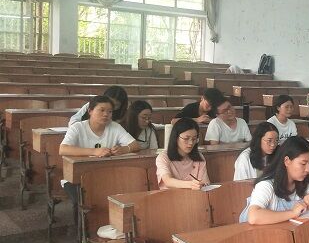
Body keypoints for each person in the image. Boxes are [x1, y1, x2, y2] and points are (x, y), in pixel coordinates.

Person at [59, 95, 139, 223]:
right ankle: (83, 230)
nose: (106, 114)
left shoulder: (115, 127)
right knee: (85, 200)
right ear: (90, 111)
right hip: (77, 177)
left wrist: (124, 149)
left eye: (110, 111)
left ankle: (114, 225)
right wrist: (94, 151)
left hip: (105, 175)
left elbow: (135, 145)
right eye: (101, 110)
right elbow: (63, 149)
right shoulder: (78, 127)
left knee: (125, 191)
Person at [239, 136, 309, 224]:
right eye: (303, 164)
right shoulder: (266, 185)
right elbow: (254, 217)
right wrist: (292, 213)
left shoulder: (302, 184)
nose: (308, 169)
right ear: (287, 161)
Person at [156, 117, 210, 190]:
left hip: (194, 195)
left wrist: (203, 184)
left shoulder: (199, 157)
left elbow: (205, 182)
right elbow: (167, 181)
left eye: (194, 139)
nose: (191, 143)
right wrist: (190, 184)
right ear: (176, 137)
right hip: (170, 195)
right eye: (186, 139)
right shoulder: (163, 157)